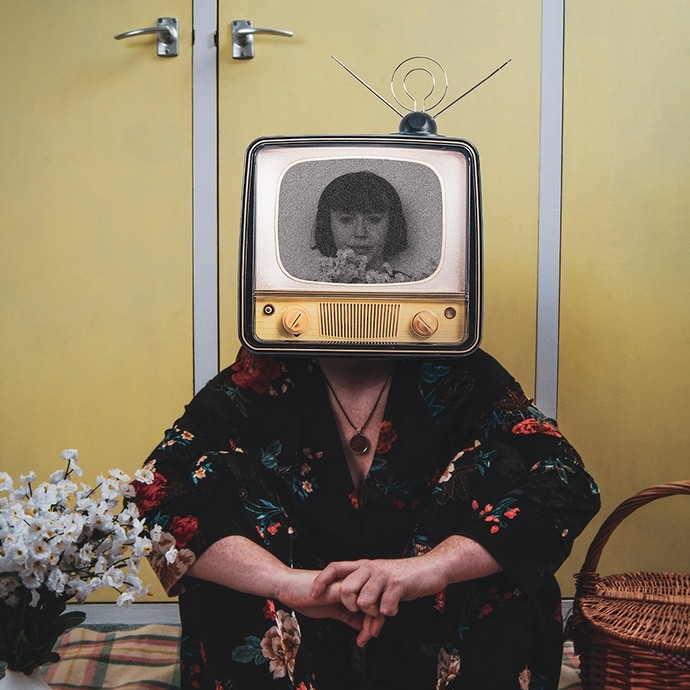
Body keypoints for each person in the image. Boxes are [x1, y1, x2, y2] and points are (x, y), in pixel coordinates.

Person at [133, 346, 600, 689]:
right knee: (211, 474)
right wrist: (284, 581)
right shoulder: (264, 368)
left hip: (434, 638)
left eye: (375, 219)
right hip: (301, 633)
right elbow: (153, 491)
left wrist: (430, 568)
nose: (358, 235)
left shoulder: (460, 367)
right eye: (344, 218)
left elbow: (569, 480)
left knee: (499, 467)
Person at [312, 171, 412, 282]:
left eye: (374, 220)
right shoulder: (308, 293)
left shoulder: (413, 289)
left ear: (393, 224)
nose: (360, 233)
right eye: (346, 220)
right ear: (327, 224)